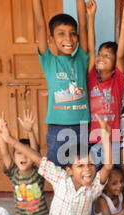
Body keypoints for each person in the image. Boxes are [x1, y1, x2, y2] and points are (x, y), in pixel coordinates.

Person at [0, 114, 120, 215]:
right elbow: (36, 157)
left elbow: (108, 166)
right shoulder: (60, 178)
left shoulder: (94, 187)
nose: (87, 170)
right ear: (69, 170)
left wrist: (106, 137)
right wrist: (10, 139)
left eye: (91, 165)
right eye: (80, 166)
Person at [33, 0, 90, 167]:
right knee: (58, 172)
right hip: (57, 127)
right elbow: (40, 25)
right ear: (50, 39)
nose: (68, 38)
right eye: (61, 33)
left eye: (73, 33)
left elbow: (83, 23)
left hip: (82, 126)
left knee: (82, 172)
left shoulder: (81, 57)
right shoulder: (49, 61)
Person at [0, 110, 49, 215]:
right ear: (14, 158)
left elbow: (35, 153)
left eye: (26, 154)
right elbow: (4, 153)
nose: (23, 157)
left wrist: (30, 131)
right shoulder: (13, 172)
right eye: (19, 154)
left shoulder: (38, 171)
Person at [86, 1, 124, 167]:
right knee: (93, 175)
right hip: (92, 136)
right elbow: (91, 50)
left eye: (107, 55)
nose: (101, 57)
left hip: (112, 137)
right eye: (100, 54)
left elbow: (121, 56)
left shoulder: (117, 80)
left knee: (111, 173)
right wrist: (91, 18)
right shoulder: (91, 76)